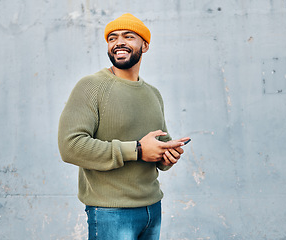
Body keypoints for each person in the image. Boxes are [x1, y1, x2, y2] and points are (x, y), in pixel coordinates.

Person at [58, 13, 189, 240]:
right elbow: (70, 146)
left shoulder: (153, 94)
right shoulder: (92, 86)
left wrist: (167, 156)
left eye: (128, 36)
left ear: (145, 46)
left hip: (152, 208)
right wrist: (137, 150)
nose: (119, 42)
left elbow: (158, 147)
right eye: (112, 38)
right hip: (111, 212)